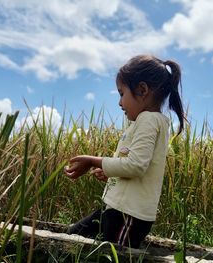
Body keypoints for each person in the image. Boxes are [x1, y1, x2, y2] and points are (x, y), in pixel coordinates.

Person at [64, 54, 184, 249]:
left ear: (142, 90)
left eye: (121, 93)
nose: (120, 102)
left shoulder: (149, 120)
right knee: (72, 236)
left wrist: (93, 161)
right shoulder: (145, 122)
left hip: (128, 215)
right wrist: (110, 172)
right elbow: (132, 165)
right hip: (114, 209)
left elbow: (136, 166)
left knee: (112, 255)